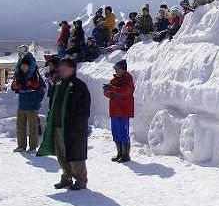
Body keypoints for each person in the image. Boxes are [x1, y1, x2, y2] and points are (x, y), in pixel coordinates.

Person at [37, 58, 91, 191]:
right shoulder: (58, 83)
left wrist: (78, 125)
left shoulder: (79, 86)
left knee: (74, 154)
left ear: (72, 69)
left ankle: (81, 179)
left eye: (64, 66)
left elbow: (84, 109)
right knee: (61, 154)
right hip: (57, 125)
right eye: (60, 66)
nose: (60, 68)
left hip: (72, 127)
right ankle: (66, 177)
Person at [103, 59, 134, 163]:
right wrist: (107, 91)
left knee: (123, 132)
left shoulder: (128, 79)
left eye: (117, 69)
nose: (115, 71)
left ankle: (126, 155)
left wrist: (112, 88)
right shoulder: (113, 80)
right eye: (115, 69)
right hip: (114, 110)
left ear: (123, 69)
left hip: (124, 111)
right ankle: (119, 153)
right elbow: (109, 94)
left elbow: (125, 91)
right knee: (115, 132)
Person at [12, 59, 45, 153]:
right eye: (22, 65)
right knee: (20, 127)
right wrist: (14, 86)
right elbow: (14, 88)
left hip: (32, 106)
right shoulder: (19, 76)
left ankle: (33, 147)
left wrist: (35, 86)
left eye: (24, 65)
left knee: (32, 128)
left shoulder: (35, 75)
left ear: (29, 66)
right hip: (22, 105)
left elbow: (42, 88)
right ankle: (21, 146)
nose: (22, 67)